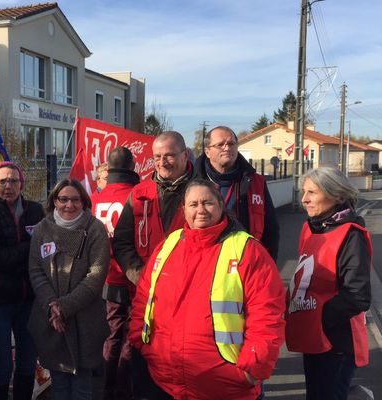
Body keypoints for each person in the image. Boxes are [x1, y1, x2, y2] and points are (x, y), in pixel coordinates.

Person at [129, 179, 286, 399]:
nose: (200, 210)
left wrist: (252, 369)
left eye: (208, 203)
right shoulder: (169, 245)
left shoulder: (247, 250)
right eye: (193, 205)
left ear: (221, 205)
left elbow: (267, 314)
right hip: (166, 383)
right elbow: (144, 298)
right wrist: (142, 343)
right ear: (184, 210)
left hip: (226, 387)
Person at [112, 131, 194, 399]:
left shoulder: (203, 193)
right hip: (144, 301)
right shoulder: (139, 193)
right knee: (144, 375)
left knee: (183, 377)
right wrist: (142, 276)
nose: (162, 162)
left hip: (188, 302)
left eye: (169, 155)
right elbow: (122, 243)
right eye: (157, 156)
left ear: (185, 155)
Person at [286, 167, 372, 400]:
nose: (304, 199)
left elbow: (357, 295)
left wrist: (318, 318)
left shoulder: (351, 234)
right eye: (304, 191)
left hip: (337, 342)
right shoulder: (310, 227)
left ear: (338, 196)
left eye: (312, 192)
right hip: (312, 336)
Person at [27, 179, 110, 400]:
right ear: (55, 200)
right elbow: (36, 271)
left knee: (82, 388)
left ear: (84, 202)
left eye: (75, 200)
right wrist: (52, 306)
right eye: (63, 199)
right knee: (59, 386)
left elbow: (95, 276)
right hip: (50, 320)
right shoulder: (42, 229)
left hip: (85, 320)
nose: (69, 205)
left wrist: (63, 307)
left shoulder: (95, 229)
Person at [0, 162, 45, 400]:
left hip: (29, 302)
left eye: (13, 180)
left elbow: (45, 252)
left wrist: (28, 249)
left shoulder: (35, 210)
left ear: (21, 183)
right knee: (3, 368)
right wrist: (31, 245)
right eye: (2, 181)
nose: (8, 186)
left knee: (26, 366)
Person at [91, 147, 139, 400]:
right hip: (133, 277)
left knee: (112, 335)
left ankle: (106, 390)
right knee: (131, 338)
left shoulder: (94, 198)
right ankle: (123, 391)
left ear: (108, 170)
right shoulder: (138, 195)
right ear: (132, 168)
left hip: (106, 277)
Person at [195, 126, 280, 260]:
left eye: (231, 144)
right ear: (207, 151)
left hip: (246, 262)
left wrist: (268, 265)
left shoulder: (256, 182)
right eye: (220, 145)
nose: (227, 148)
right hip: (203, 261)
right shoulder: (192, 183)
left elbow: (271, 230)